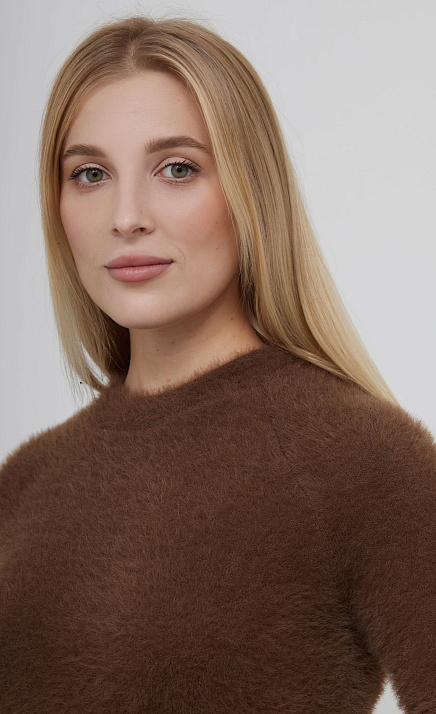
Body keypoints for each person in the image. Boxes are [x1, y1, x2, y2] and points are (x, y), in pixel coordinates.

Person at [0, 14, 435, 714]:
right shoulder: (24, 484)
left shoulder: (365, 461)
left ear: (249, 190)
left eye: (177, 168)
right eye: (90, 174)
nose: (126, 217)